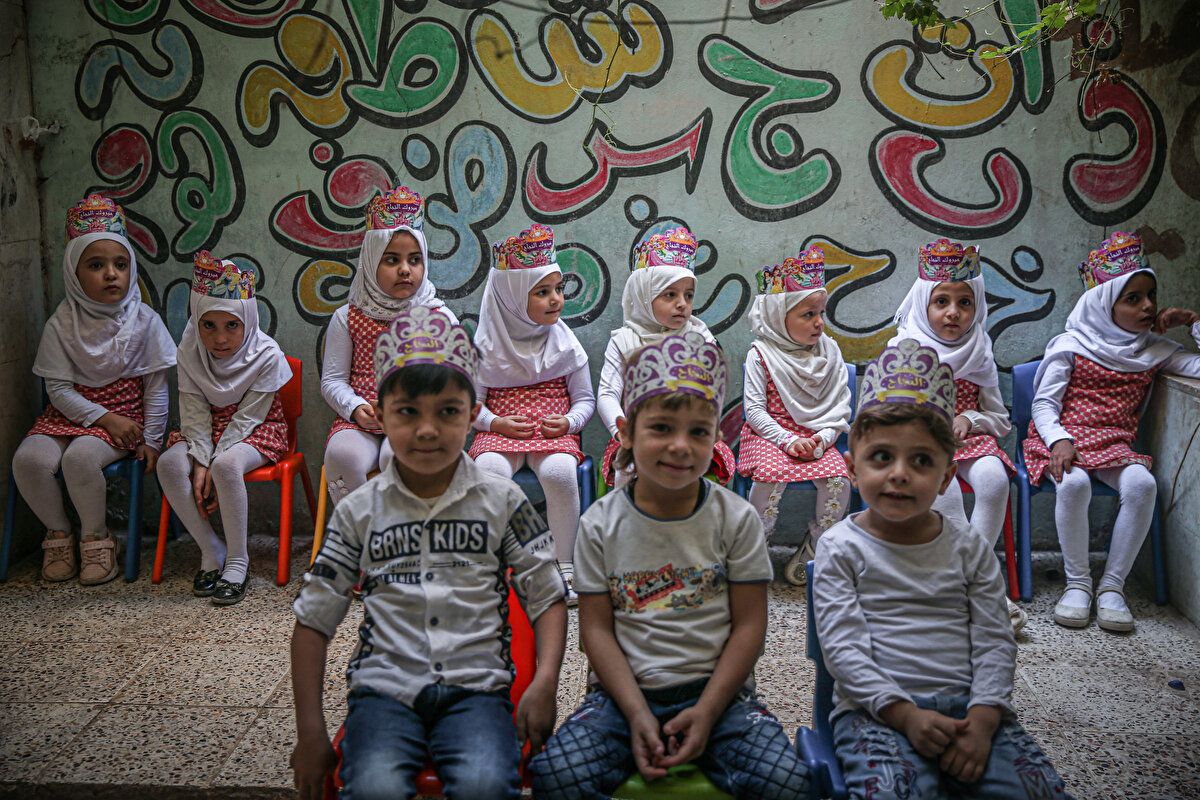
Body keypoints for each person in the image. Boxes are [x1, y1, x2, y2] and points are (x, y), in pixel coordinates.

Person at [291, 306, 568, 800]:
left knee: (486, 785)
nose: (427, 430)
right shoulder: (358, 510)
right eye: (407, 412)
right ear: (379, 412)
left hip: (477, 694)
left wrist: (544, 683)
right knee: (373, 786)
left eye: (447, 411)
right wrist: (310, 731)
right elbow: (313, 621)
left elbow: (547, 596)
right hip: (383, 692)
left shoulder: (504, 500)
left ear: (470, 415)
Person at [530, 332, 810, 800]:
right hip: (620, 698)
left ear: (717, 438)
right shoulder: (600, 523)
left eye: (698, 432)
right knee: (555, 776)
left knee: (788, 784)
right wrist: (637, 713)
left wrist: (707, 712)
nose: (680, 446)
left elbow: (749, 628)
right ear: (627, 433)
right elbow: (595, 632)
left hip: (722, 697)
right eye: (661, 428)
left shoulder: (736, 518)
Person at [814, 338, 1072, 800]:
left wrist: (985, 718)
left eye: (921, 460)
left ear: (947, 476)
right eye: (881, 457)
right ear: (851, 470)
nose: (899, 473)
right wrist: (905, 715)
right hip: (876, 715)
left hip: (973, 711)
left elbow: (996, 640)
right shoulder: (840, 548)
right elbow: (844, 651)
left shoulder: (968, 547)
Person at [1025, 231, 1200, 632]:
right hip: (1061, 440)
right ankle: (1078, 584)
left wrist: (1193, 322)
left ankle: (1112, 588)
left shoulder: (1153, 350)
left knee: (1142, 485)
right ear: (1104, 304)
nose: (1148, 306)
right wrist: (1059, 439)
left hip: (1113, 445)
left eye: (1150, 295)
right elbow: (1043, 404)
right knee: (1073, 486)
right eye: (1133, 298)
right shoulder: (1072, 346)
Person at [13, 193, 175, 584]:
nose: (111, 275)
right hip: (70, 414)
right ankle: (59, 535)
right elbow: (59, 391)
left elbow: (156, 387)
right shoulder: (61, 324)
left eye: (120, 265)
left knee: (80, 459)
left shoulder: (144, 321)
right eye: (96, 265)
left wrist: (151, 440)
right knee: (29, 461)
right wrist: (103, 417)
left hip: (126, 421)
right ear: (74, 272)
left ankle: (97, 539)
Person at [889, 238, 1023, 631]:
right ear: (922, 304)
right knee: (941, 488)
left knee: (995, 480)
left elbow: (999, 418)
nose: (953, 313)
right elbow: (890, 415)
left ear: (977, 306)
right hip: (920, 448)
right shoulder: (904, 348)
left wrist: (969, 418)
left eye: (965, 303)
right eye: (941, 301)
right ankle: (981, 589)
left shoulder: (980, 349)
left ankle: (967, 581)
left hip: (970, 443)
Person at [156, 251, 292, 605]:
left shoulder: (267, 355)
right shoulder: (189, 350)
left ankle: (237, 561)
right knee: (169, 464)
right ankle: (210, 549)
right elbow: (194, 409)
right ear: (195, 321)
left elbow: (248, 417)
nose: (219, 339)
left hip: (257, 427)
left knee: (227, 465)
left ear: (248, 319)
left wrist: (213, 462)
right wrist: (199, 460)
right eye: (208, 325)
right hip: (205, 428)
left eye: (232, 325)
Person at [468, 223, 594, 604]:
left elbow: (585, 399)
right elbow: (471, 407)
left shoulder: (566, 343)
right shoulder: (484, 346)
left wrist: (570, 423)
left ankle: (564, 565)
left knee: (559, 472)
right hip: (498, 431)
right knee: (489, 475)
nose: (556, 299)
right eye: (542, 292)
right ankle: (492, 566)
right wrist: (495, 423)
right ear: (510, 298)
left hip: (554, 433)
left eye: (558, 289)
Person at [320, 186, 457, 506]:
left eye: (414, 259)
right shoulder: (347, 317)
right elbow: (332, 381)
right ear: (369, 261)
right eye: (391, 259)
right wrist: (355, 408)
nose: (405, 269)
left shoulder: (439, 317)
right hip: (362, 418)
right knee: (342, 455)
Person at [738, 246, 852, 585]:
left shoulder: (830, 351)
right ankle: (754, 548)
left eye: (821, 312)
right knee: (769, 476)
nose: (819, 322)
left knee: (838, 480)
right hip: (769, 436)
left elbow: (840, 406)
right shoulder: (761, 354)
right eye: (807, 314)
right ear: (777, 315)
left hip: (817, 437)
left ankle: (817, 550)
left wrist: (823, 438)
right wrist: (787, 439)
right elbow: (754, 410)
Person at [595, 227, 735, 488]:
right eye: (670, 294)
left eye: (688, 295)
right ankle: (626, 523)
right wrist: (622, 431)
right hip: (638, 434)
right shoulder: (624, 341)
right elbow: (607, 394)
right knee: (631, 465)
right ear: (645, 296)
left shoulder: (701, 337)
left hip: (689, 432)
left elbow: (713, 393)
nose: (682, 303)